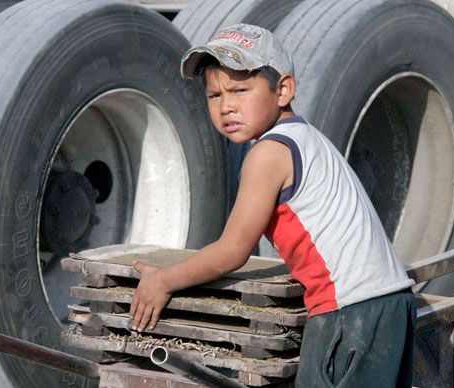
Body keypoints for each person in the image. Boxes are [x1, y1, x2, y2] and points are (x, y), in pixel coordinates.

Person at [129, 23, 416, 387]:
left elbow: (232, 250)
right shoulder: (305, 136)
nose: (226, 106)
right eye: (214, 95)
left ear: (283, 90)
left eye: (239, 90)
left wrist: (164, 280)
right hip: (385, 304)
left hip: (350, 313)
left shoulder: (269, 153)